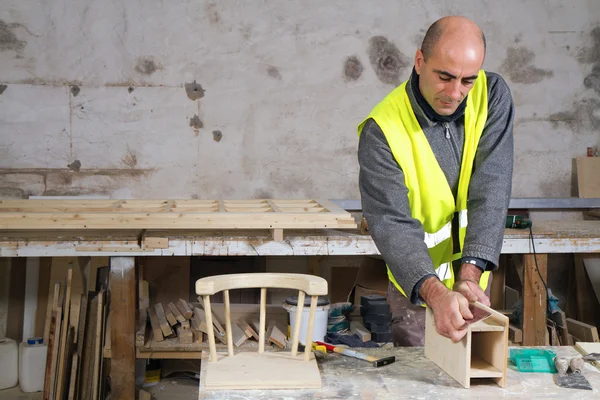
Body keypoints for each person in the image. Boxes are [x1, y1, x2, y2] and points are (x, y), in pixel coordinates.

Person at [357, 16, 514, 346]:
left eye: (467, 81)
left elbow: (491, 189)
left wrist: (470, 275)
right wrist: (435, 292)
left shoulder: (492, 95)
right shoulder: (382, 130)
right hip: (415, 288)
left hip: (470, 286)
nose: (455, 93)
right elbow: (392, 224)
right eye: (444, 77)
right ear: (419, 62)